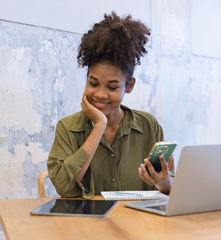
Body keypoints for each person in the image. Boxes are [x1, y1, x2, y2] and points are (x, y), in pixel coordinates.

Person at [47, 12, 174, 199]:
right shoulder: (68, 128)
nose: (100, 94)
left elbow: (165, 192)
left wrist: (164, 183)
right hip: (87, 226)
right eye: (93, 83)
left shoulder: (148, 126)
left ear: (129, 86)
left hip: (138, 225)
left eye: (112, 87)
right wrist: (99, 126)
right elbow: (65, 188)